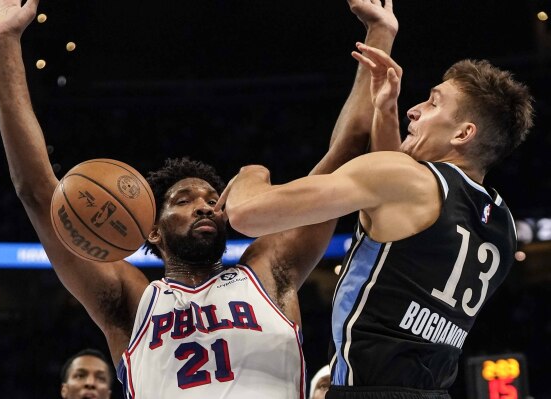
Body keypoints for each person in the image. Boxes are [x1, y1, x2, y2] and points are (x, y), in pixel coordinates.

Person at [0, 0, 398, 397]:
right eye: (184, 200)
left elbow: (348, 151)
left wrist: (378, 31)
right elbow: (38, 192)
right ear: (152, 229)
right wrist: (4, 43)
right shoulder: (130, 302)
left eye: (212, 198)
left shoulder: (270, 272)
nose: (205, 205)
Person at [221, 44, 534, 398]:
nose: (414, 110)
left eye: (433, 103)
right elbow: (398, 208)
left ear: (462, 134)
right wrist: (385, 110)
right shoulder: (502, 225)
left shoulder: (407, 181)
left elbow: (246, 215)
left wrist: (252, 173)